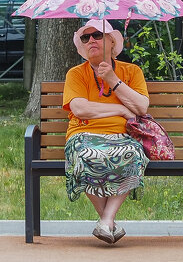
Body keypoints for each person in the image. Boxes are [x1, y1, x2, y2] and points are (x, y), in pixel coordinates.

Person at [62, 18, 150, 245]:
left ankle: (106, 221)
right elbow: (80, 108)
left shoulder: (131, 71)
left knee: (134, 154)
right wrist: (120, 109)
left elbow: (141, 107)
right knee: (85, 156)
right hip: (83, 136)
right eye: (85, 37)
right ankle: (108, 221)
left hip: (122, 138)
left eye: (97, 35)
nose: (91, 40)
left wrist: (112, 79)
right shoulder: (76, 73)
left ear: (111, 41)